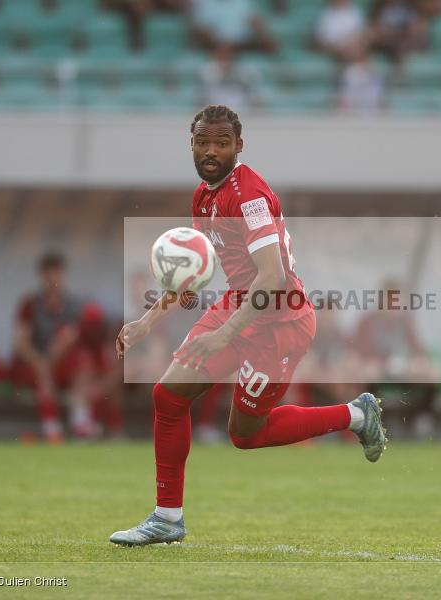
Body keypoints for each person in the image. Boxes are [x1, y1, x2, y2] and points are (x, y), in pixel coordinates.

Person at [110, 104, 386, 546]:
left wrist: (225, 333)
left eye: (222, 142)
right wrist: (147, 321)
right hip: (238, 305)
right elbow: (194, 276)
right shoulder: (203, 195)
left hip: (280, 321)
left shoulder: (249, 197)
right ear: (192, 144)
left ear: (239, 145)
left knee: (246, 435)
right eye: (203, 141)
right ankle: (167, 517)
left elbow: (274, 276)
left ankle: (355, 415)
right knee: (168, 394)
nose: (211, 150)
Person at [10, 253, 95, 442]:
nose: (52, 279)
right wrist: (39, 361)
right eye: (48, 275)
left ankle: (81, 421)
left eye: (56, 274)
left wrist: (56, 352)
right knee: (43, 373)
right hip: (35, 362)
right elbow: (21, 342)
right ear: (41, 276)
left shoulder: (73, 305)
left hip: (61, 362)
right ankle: (51, 427)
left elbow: (72, 337)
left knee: (81, 366)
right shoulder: (30, 305)